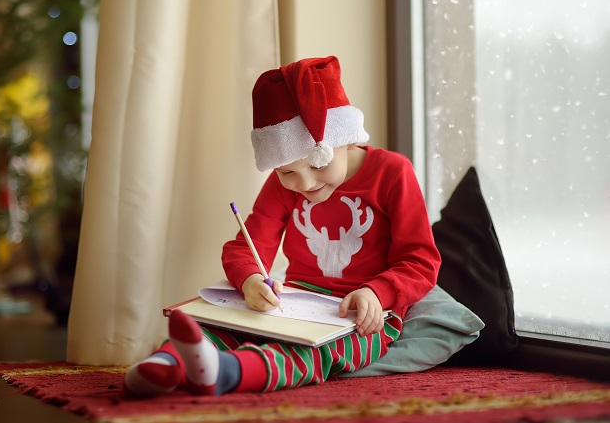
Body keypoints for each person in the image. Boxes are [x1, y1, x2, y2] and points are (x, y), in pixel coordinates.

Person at [124, 56, 441, 397]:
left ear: (347, 139)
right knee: (219, 325)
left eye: (318, 164)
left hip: (366, 317)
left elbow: (420, 260)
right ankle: (164, 364)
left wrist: (377, 293)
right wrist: (250, 281)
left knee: (312, 353)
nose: (304, 183)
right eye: (287, 172)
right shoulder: (282, 186)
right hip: (295, 302)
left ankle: (227, 372)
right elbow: (245, 248)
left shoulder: (393, 173)